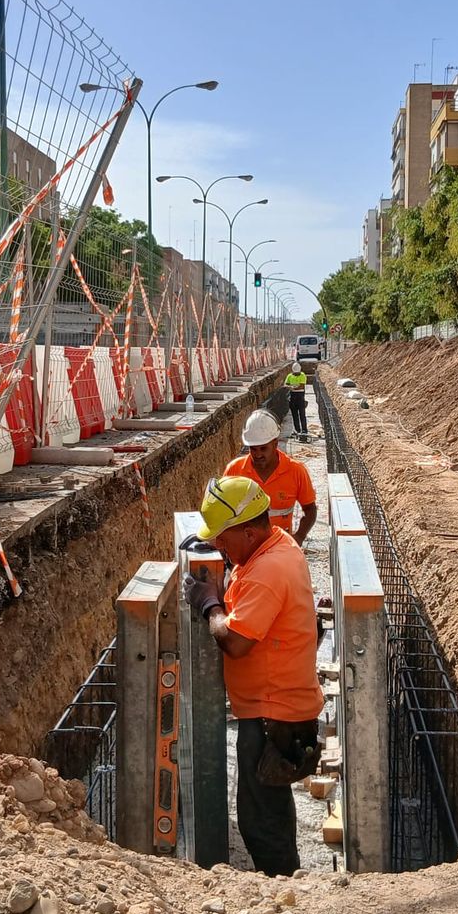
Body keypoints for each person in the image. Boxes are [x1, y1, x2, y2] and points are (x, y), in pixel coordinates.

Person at [183, 476, 322, 877]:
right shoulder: (275, 545)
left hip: (272, 715)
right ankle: (286, 880)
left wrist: (209, 605)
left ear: (248, 531)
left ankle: (282, 891)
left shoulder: (268, 570)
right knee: (269, 808)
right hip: (275, 710)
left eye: (223, 538)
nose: (218, 544)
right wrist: (224, 572)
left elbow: (236, 642)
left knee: (262, 822)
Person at [225, 409, 317, 547]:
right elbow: (223, 512)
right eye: (253, 449)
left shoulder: (296, 471)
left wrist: (299, 537)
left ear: (275, 443)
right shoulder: (234, 470)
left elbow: (310, 509)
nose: (258, 455)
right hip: (245, 549)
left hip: (280, 546)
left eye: (263, 449)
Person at [284, 363, 310, 440]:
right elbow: (285, 385)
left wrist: (292, 387)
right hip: (292, 397)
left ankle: (304, 430)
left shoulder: (302, 375)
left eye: (297, 373)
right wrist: (291, 387)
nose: (296, 374)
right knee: (294, 415)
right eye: (295, 373)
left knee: (302, 414)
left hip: (300, 396)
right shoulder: (289, 376)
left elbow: (302, 386)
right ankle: (297, 430)